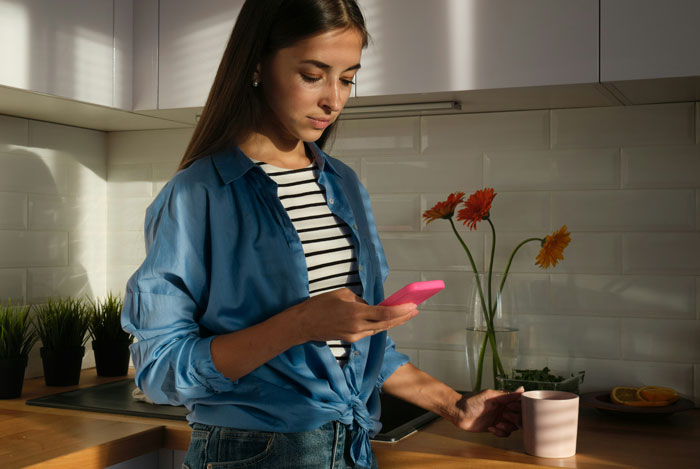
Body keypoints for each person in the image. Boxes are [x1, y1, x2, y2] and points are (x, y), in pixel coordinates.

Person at [121, 1, 523, 468]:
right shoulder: (198, 194)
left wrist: (455, 406)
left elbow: (363, 348)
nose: (334, 99)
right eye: (313, 75)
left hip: (349, 449)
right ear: (256, 66)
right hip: (251, 454)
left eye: (348, 78)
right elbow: (160, 369)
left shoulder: (343, 183)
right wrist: (299, 325)